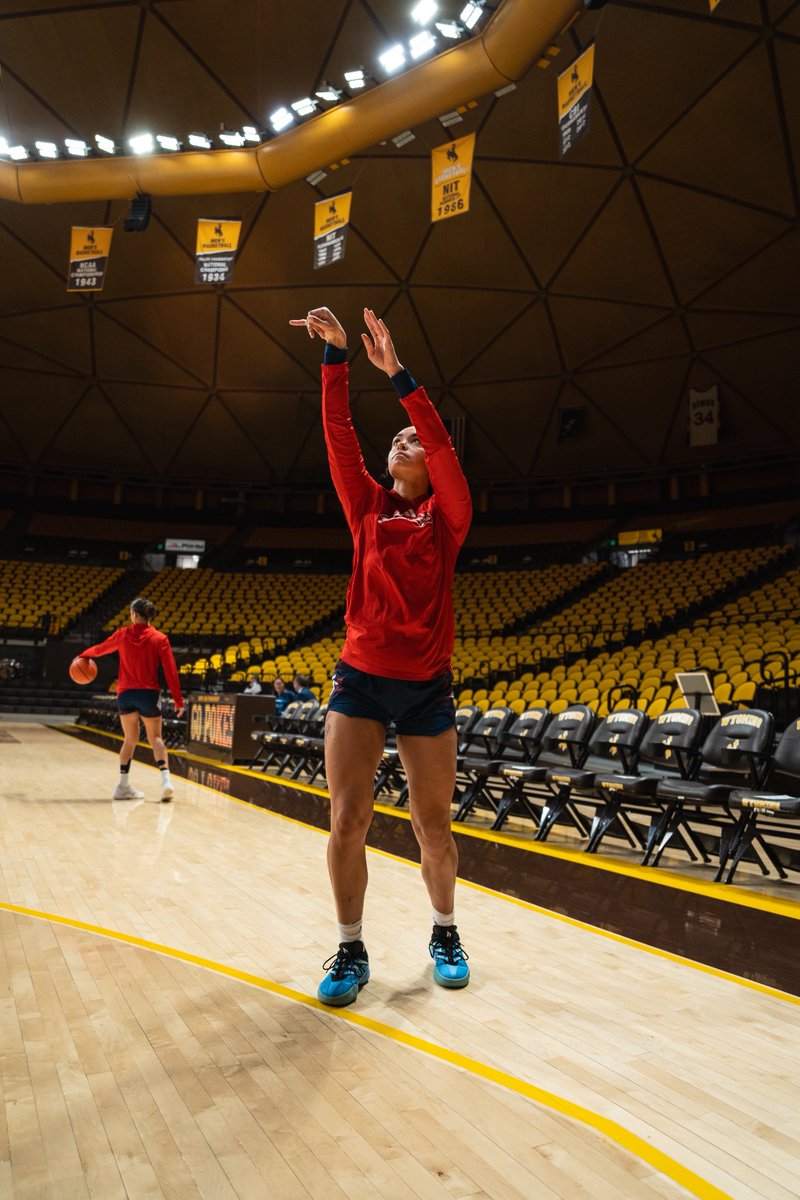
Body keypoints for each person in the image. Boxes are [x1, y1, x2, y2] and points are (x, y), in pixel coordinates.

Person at [290, 305, 472, 1006]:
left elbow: (442, 448)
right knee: (347, 819)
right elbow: (339, 438)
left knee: (433, 827)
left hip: (426, 688)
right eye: (395, 438)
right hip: (360, 682)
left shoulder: (448, 515)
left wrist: (397, 374)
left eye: (413, 439)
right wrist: (336, 359)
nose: (401, 441)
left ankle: (445, 930)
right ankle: (349, 948)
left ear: (432, 458)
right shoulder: (366, 506)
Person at [78, 597, 184, 802]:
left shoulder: (123, 634)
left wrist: (82, 655)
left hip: (125, 694)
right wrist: (178, 700)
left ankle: (123, 786)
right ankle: (166, 782)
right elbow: (170, 671)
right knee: (155, 738)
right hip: (148, 694)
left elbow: (100, 649)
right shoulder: (160, 638)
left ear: (134, 615)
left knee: (130, 739)